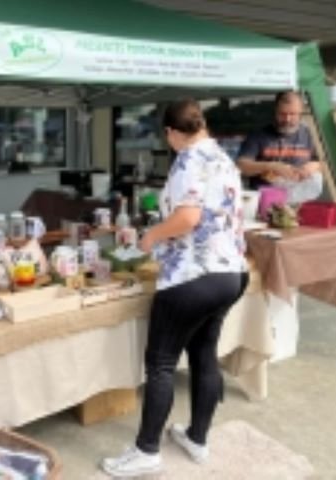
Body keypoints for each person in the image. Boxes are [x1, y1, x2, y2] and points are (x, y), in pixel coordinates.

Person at [102, 99, 249, 477]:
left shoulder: (188, 160)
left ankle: (146, 450)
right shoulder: (223, 157)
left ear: (170, 132)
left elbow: (187, 217)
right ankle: (197, 438)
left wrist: (152, 236)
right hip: (230, 273)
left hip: (193, 277)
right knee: (204, 353)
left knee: (161, 363)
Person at [237, 91, 320, 189]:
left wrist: (311, 167)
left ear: (301, 112)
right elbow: (241, 166)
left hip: (301, 193)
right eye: (282, 114)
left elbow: (322, 162)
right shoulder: (258, 135)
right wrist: (271, 166)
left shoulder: (310, 135)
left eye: (292, 114)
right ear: (275, 111)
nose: (287, 119)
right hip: (266, 195)